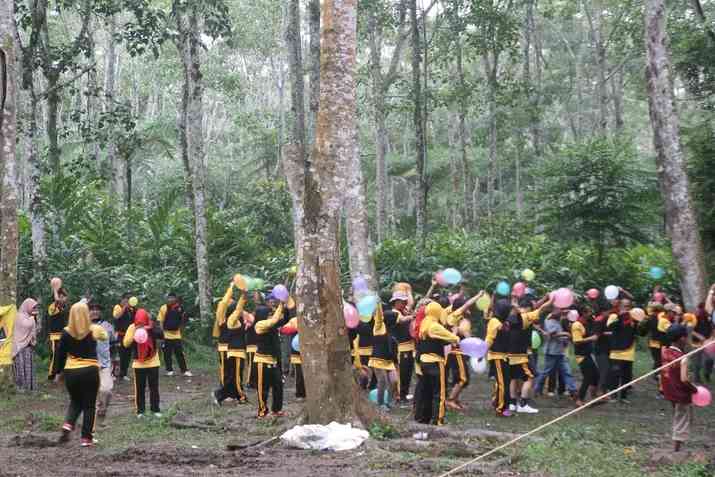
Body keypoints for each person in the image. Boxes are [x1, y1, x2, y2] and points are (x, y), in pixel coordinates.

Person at [53, 302, 108, 447]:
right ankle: (86, 438)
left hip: (71, 372)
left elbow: (60, 355)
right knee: (89, 405)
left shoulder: (65, 332)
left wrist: (58, 373)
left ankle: (68, 424)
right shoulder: (94, 329)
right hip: (90, 371)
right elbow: (105, 336)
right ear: (86, 314)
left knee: (75, 401)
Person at [414, 301, 459, 425]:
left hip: (424, 363)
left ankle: (424, 418)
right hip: (436, 362)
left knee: (427, 391)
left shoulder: (423, 323)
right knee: (440, 392)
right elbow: (452, 338)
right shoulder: (434, 326)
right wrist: (456, 335)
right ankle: (438, 419)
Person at [509, 295, 551, 413]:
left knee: (513, 378)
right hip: (521, 354)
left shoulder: (510, 316)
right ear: (527, 308)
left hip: (510, 353)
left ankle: (512, 403)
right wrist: (551, 300)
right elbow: (541, 309)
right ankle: (523, 404)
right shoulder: (526, 317)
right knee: (530, 377)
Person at [661, 324, 698, 452]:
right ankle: (676, 449)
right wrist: (694, 389)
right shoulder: (683, 358)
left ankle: (678, 444)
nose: (688, 339)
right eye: (687, 337)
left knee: (679, 416)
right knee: (682, 418)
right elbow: (684, 379)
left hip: (669, 391)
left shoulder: (665, 352)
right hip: (681, 393)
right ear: (682, 339)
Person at [444, 292, 483, 410]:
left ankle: (455, 399)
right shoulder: (454, 316)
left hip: (459, 352)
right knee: (463, 378)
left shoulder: (459, 319)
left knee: (461, 378)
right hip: (456, 352)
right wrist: (478, 295)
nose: (468, 309)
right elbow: (466, 304)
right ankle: (450, 400)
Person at [122, 308, 164, 417]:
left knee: (154, 387)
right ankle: (140, 411)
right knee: (140, 388)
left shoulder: (152, 326)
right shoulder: (132, 327)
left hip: (153, 362)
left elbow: (161, 335)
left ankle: (155, 410)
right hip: (138, 363)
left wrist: (151, 327)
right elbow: (126, 343)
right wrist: (135, 331)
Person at [254, 298, 291, 418]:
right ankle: (262, 412)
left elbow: (284, 319)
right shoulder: (259, 325)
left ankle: (276, 410)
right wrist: (280, 304)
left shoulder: (272, 324)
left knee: (278, 386)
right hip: (262, 362)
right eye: (269, 314)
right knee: (263, 389)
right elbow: (274, 320)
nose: (271, 315)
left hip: (274, 362)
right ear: (262, 316)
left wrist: (285, 307)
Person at [533, 308, 579, 404]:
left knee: (567, 371)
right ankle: (537, 389)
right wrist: (565, 333)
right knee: (545, 372)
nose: (563, 313)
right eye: (561, 312)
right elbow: (550, 334)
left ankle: (573, 391)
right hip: (551, 352)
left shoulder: (559, 321)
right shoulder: (549, 321)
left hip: (560, 352)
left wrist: (565, 338)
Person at [213, 290, 248, 405]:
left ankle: (228, 394)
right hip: (227, 348)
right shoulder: (224, 318)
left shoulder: (238, 320)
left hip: (231, 349)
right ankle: (223, 394)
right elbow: (225, 304)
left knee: (231, 374)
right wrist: (233, 289)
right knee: (228, 374)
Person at [369, 303, 399, 411]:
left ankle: (388, 402)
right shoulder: (379, 327)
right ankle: (380, 404)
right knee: (382, 381)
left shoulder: (391, 331)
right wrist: (377, 303)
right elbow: (378, 316)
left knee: (394, 381)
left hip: (388, 361)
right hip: (377, 360)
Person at [607, 299, 637, 403]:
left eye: (628, 306)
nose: (627, 308)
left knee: (626, 376)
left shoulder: (633, 318)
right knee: (615, 374)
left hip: (629, 351)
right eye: (625, 306)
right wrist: (621, 316)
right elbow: (610, 327)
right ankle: (613, 396)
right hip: (616, 352)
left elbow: (640, 332)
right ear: (620, 306)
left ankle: (623, 397)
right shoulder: (614, 316)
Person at [90, 302, 116, 418]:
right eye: (92, 309)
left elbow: (114, 344)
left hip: (105, 364)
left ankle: (104, 405)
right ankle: (98, 410)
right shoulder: (83, 325)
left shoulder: (108, 326)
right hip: (88, 364)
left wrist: (116, 361)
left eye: (97, 309)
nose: (95, 311)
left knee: (106, 390)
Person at [388, 290, 415, 403]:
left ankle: (404, 394)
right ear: (395, 302)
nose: (404, 303)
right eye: (402, 301)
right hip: (400, 348)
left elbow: (414, 305)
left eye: (405, 301)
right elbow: (403, 320)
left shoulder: (404, 311)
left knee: (408, 373)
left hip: (410, 347)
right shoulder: (394, 313)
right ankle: (399, 396)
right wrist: (414, 315)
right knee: (401, 373)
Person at [158, 292, 192, 377]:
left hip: (177, 335)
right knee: (167, 353)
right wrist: (162, 333)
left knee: (179, 353)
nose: (170, 299)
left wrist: (181, 328)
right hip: (166, 335)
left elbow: (184, 320)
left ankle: (184, 370)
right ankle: (169, 370)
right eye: (169, 298)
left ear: (175, 299)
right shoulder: (164, 308)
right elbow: (161, 321)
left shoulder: (180, 308)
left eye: (172, 298)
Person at [571, 306, 599, 404]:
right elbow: (576, 341)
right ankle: (579, 399)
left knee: (596, 375)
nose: (591, 314)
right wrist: (591, 338)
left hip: (587, 354)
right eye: (589, 312)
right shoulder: (577, 325)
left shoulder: (587, 323)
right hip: (581, 355)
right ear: (583, 313)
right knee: (588, 376)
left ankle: (593, 396)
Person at [12, 298, 39, 392]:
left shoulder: (29, 316)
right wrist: (32, 319)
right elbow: (26, 326)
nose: (34, 310)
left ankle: (29, 386)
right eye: (33, 307)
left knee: (28, 367)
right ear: (27, 306)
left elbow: (33, 330)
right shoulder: (20, 316)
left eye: (35, 308)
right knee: (21, 367)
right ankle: (22, 387)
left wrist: (32, 318)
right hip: (20, 347)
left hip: (28, 346)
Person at [213, 282, 236, 389]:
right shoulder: (222, 318)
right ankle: (223, 389)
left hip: (233, 347)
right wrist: (231, 287)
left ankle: (230, 389)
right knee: (225, 369)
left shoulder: (235, 318)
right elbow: (223, 303)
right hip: (224, 346)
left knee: (231, 370)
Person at [280, 312, 305, 399]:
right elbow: (283, 330)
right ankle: (300, 394)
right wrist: (296, 329)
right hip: (296, 352)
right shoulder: (294, 321)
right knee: (299, 374)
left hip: (307, 351)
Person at [47, 287, 69, 381]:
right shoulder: (53, 306)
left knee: (63, 356)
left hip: (63, 335)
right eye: (61, 296)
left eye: (64, 296)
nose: (64, 298)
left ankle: (60, 374)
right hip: (55, 336)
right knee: (55, 356)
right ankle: (52, 376)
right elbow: (57, 301)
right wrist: (55, 289)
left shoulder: (64, 307)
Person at [112, 293, 136, 381]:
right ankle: (115, 373)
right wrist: (124, 307)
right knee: (120, 355)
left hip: (129, 335)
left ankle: (124, 373)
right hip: (120, 335)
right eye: (126, 299)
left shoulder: (131, 309)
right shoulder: (118, 307)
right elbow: (116, 316)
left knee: (128, 354)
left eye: (129, 299)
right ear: (122, 299)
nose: (127, 301)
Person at [691, 302, 713, 383]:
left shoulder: (708, 317)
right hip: (697, 343)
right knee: (697, 362)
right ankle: (697, 379)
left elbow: (711, 328)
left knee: (710, 359)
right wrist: (699, 336)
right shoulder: (695, 317)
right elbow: (691, 330)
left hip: (707, 343)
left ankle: (707, 374)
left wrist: (710, 337)